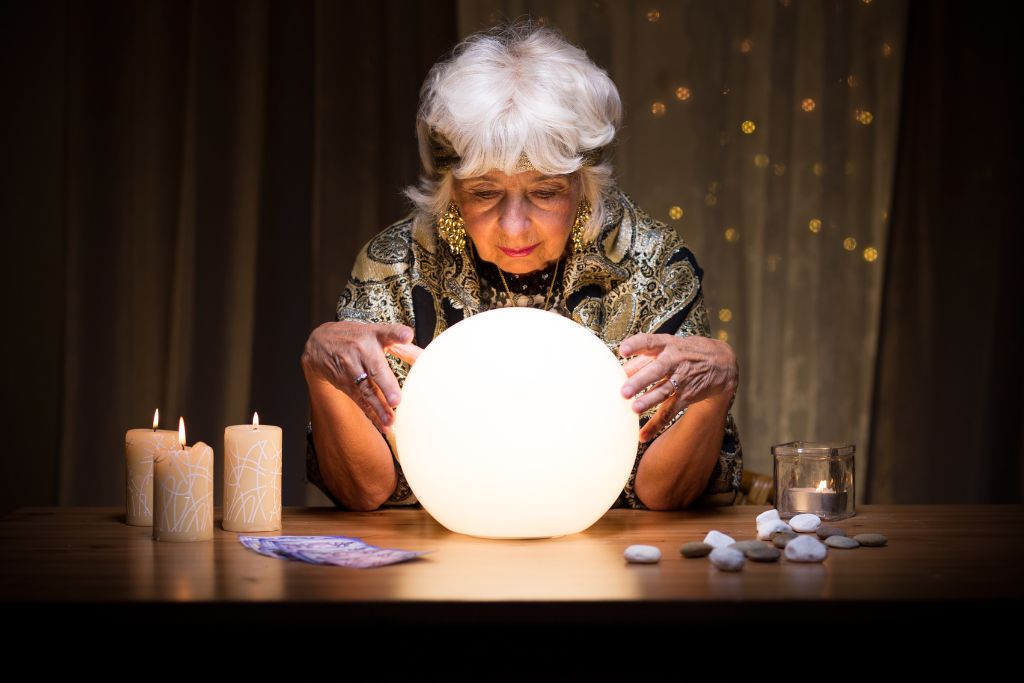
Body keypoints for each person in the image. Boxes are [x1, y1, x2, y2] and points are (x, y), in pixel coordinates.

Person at [301, 23, 743, 512]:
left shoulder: (649, 264)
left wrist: (716, 388)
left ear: (584, 185)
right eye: (485, 193)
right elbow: (365, 489)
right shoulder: (397, 266)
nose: (513, 228)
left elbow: (663, 492)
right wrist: (322, 375)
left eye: (545, 192)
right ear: (451, 190)